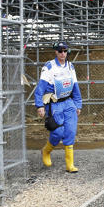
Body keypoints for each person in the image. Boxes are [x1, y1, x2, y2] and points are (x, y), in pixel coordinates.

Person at [34, 41, 83, 172]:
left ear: (67, 52)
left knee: (70, 132)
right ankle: (46, 151)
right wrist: (40, 105)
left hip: (69, 103)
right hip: (55, 104)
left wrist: (78, 104)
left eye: (65, 51)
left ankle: (70, 165)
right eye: (60, 51)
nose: (62, 54)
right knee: (57, 132)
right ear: (56, 52)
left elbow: (75, 87)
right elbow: (40, 88)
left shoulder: (70, 67)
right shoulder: (49, 67)